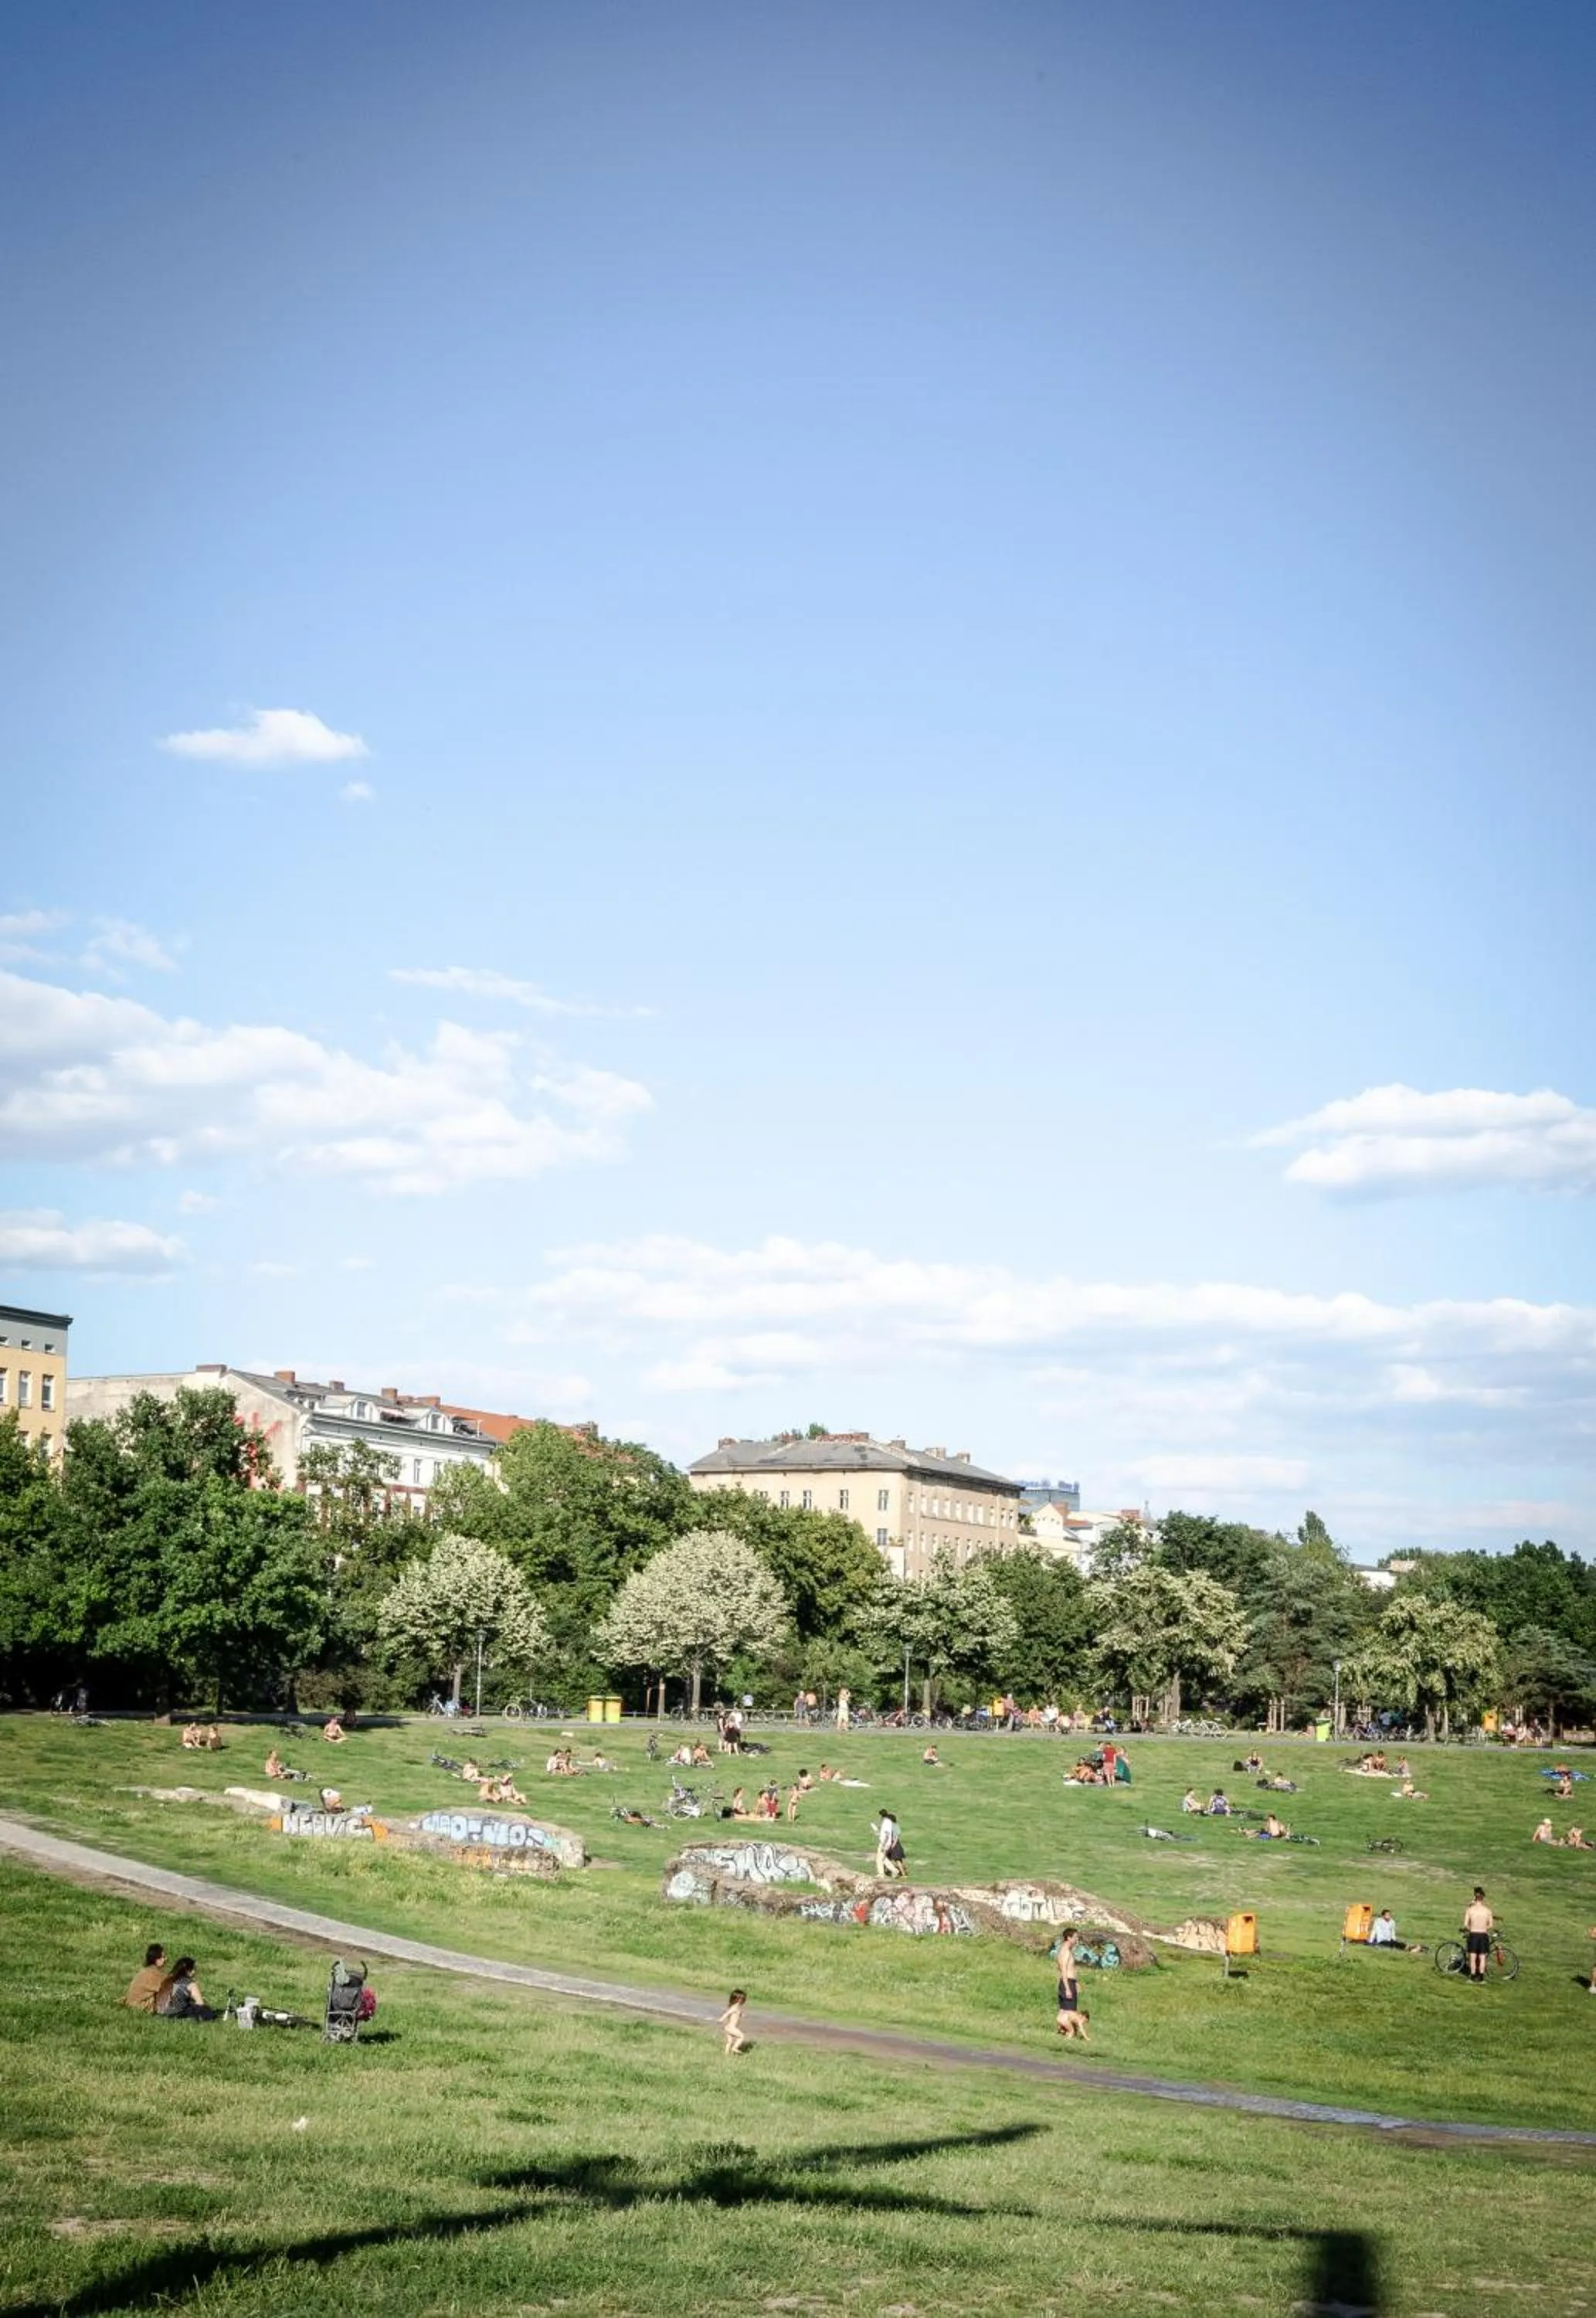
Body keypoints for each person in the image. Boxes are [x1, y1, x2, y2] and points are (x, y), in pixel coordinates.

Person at [1054, 1929, 1089, 2041]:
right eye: (1075, 1937)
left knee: (1064, 2010)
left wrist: (1076, 1982)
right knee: (1070, 2011)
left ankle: (1062, 2032)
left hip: (1070, 1982)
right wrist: (1068, 1988)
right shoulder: (1066, 1952)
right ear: (1069, 1938)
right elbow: (1063, 1970)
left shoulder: (1065, 1950)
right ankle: (1071, 2032)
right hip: (1067, 1982)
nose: (1077, 1939)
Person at [157, 1956, 212, 2020]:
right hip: (177, 2013)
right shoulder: (189, 1983)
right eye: (194, 1969)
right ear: (189, 1970)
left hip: (162, 2011)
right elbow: (201, 2004)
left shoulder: (167, 1980)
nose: (195, 1972)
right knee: (207, 2011)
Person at [124, 1942, 168, 2011]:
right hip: (139, 2005)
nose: (166, 1959)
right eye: (163, 1957)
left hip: (131, 2003)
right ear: (156, 1960)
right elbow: (169, 1987)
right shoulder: (153, 1974)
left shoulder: (147, 1970)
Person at [1462, 1888, 1493, 1982]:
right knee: (1482, 1957)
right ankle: (1481, 1978)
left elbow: (1465, 1925)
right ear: (1483, 1898)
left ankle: (1472, 1976)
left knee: (1473, 1957)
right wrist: (1484, 1927)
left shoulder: (1470, 1910)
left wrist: (1471, 1928)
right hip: (1483, 1935)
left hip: (1473, 1935)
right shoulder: (1488, 1911)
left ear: (1475, 1898)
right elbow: (1491, 1925)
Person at [874, 1810, 906, 1879]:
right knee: (883, 1858)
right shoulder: (887, 1822)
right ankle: (893, 1871)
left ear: (881, 1816)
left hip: (884, 1843)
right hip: (886, 1843)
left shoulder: (886, 1823)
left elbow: (887, 1835)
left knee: (879, 1859)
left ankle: (883, 1874)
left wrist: (883, 1844)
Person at [720, 1989, 749, 2056]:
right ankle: (735, 2048)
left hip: (728, 2027)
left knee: (730, 2041)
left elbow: (738, 2013)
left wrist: (742, 2015)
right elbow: (727, 2013)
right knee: (741, 2036)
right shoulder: (734, 2008)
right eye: (743, 1999)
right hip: (731, 2027)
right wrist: (721, 2019)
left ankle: (726, 2054)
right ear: (737, 2000)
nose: (744, 2000)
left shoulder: (738, 2008)